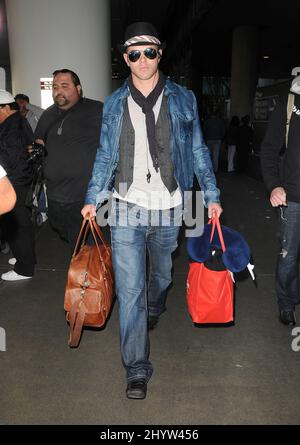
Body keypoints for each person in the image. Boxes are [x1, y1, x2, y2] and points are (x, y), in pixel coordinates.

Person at [81, 22, 222, 400]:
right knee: (130, 291)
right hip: (126, 203)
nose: (142, 59)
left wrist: (210, 193)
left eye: (150, 51)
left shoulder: (183, 98)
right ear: (125, 58)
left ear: (160, 53)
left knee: (160, 274)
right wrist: (94, 195)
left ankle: (156, 303)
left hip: (172, 204)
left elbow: (196, 150)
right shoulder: (113, 102)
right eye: (134, 53)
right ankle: (136, 368)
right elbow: (105, 154)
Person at [34, 69, 103, 251]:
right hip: (55, 194)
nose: (58, 91)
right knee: (65, 232)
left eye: (65, 86)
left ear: (78, 88)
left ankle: (88, 276)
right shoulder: (48, 113)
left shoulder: (96, 110)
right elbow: (39, 140)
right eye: (55, 86)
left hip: (83, 195)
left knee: (84, 242)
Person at [260, 74, 300, 326]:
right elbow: (269, 149)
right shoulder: (290, 101)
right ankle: (286, 302)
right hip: (293, 199)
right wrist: (274, 186)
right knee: (289, 257)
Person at [0, 90, 36, 281]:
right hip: (20, 178)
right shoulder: (16, 122)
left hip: (14, 181)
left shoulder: (12, 126)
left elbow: (11, 157)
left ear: (6, 107)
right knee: (20, 222)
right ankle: (26, 258)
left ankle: (24, 268)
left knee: (17, 224)